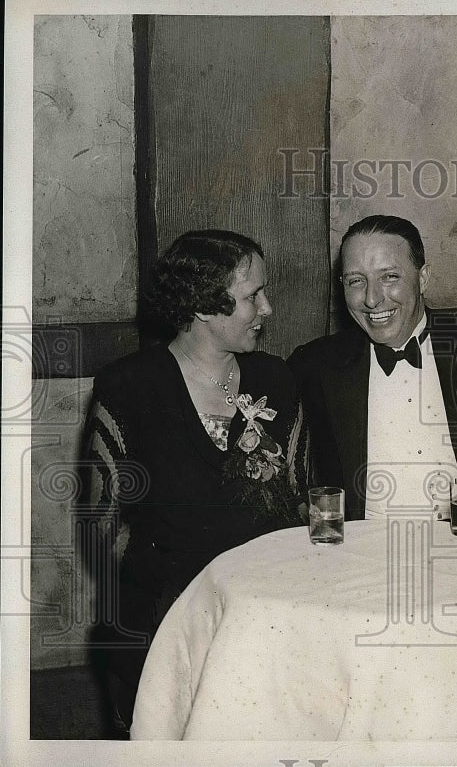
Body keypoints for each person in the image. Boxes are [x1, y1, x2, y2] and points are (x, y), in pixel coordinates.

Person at [83, 230, 306, 735]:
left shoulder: (276, 379)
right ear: (206, 305)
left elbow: (300, 498)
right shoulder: (129, 386)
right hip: (161, 620)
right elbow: (102, 521)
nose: (267, 308)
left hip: (262, 615)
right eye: (253, 296)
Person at [288, 215, 457, 548]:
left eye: (389, 277)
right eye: (355, 281)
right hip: (360, 562)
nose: (372, 299)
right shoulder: (316, 366)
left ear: (423, 278)